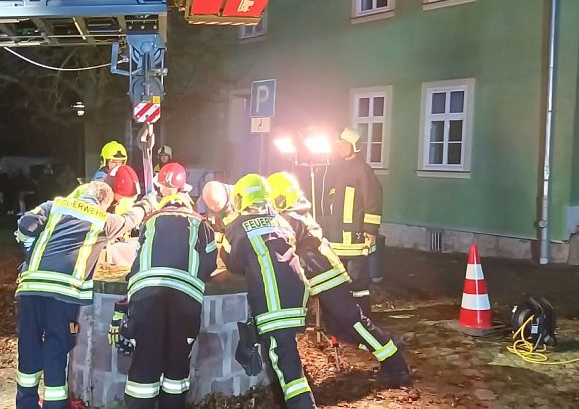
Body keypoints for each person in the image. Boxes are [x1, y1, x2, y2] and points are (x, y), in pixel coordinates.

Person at [13, 181, 157, 409]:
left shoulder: (56, 205)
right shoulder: (103, 220)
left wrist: (31, 250)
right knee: (56, 350)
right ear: (105, 203)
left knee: (28, 345)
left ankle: (26, 404)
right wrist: (148, 203)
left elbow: (24, 225)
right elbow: (131, 219)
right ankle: (54, 405)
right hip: (63, 293)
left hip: (30, 288)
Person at [267, 171, 412, 387]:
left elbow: (283, 251)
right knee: (338, 328)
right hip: (325, 278)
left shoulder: (290, 219)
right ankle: (387, 346)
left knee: (355, 324)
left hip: (327, 279)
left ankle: (396, 363)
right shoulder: (296, 214)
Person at [114, 161, 217, 408]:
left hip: (146, 299)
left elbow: (138, 257)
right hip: (184, 301)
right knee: (176, 364)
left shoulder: (150, 220)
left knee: (145, 361)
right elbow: (210, 263)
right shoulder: (201, 224)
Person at [221, 174, 316, 409]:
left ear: (242, 198)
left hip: (274, 300)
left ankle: (303, 405)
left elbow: (230, 261)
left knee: (284, 360)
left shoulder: (237, 225)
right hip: (296, 291)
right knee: (287, 352)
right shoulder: (281, 220)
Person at [321, 128, 382, 315]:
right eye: (338, 143)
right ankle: (343, 316)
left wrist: (370, 230)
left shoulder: (363, 170)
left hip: (355, 238)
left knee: (358, 282)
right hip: (335, 236)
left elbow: (373, 200)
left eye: (344, 143)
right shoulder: (335, 169)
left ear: (354, 146)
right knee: (337, 279)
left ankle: (362, 318)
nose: (339, 146)